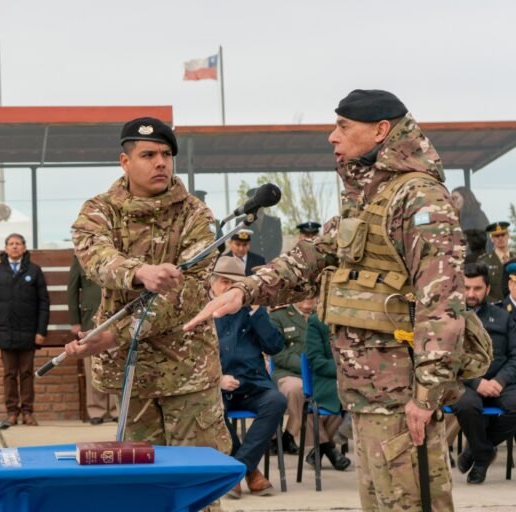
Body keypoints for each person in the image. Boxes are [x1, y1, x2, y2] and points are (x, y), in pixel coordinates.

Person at [186, 89, 465, 511]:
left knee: (410, 502)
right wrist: (244, 291)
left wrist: (425, 397)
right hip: (370, 391)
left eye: (343, 126)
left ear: (381, 130)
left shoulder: (420, 197)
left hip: (401, 392)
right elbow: (311, 256)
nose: (332, 137)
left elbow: (441, 302)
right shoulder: (368, 198)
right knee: (380, 501)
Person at [66, 117, 231, 510]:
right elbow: (95, 257)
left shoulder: (196, 215)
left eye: (166, 155)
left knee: (199, 488)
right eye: (149, 155)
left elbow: (189, 294)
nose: (161, 163)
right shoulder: (99, 210)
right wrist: (138, 272)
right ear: (124, 161)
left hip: (189, 376)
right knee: (140, 488)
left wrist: (116, 333)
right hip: (133, 377)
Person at [211, 256, 285, 498]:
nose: (228, 288)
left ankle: (237, 469)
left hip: (253, 384)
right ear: (212, 283)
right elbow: (189, 359)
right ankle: (251, 472)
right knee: (208, 406)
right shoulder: (203, 312)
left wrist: (256, 312)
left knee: (276, 401)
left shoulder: (252, 310)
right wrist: (217, 378)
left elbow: (274, 346)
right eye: (223, 282)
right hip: (217, 388)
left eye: (233, 283)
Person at [450, 262, 516, 484]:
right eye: (466, 288)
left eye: (477, 288)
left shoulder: (504, 317)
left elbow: (515, 355)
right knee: (467, 405)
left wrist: (500, 379)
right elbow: (448, 359)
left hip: (501, 381)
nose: (471, 294)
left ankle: (476, 452)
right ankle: (484, 455)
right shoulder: (450, 319)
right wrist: (476, 382)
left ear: (487, 289)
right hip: (466, 382)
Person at [0, 233, 49, 428]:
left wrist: (41, 331)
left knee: (27, 373)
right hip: (5, 332)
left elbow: (44, 302)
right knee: (10, 374)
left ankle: (28, 412)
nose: (14, 247)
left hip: (29, 332)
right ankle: (12, 412)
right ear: (5, 248)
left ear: (24, 248)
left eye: (18, 244)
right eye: (11, 244)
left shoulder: (34, 271)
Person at [67, 255, 117, 424]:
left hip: (115, 317)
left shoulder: (118, 251)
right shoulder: (80, 257)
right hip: (91, 318)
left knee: (117, 364)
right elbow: (72, 289)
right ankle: (97, 410)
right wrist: (75, 320)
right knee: (93, 366)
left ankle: (116, 409)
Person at [268, 298, 317, 455]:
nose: (309, 299)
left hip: (318, 372)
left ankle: (289, 435)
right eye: (305, 294)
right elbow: (277, 352)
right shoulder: (279, 316)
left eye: (313, 294)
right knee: (296, 388)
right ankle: (281, 437)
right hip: (288, 372)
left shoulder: (322, 316)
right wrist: (305, 367)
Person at [304, 313, 351, 470]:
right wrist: (344, 369)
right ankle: (331, 447)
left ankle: (321, 449)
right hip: (327, 377)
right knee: (328, 403)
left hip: (356, 377)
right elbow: (316, 360)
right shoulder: (317, 320)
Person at [478, 222, 515, 302]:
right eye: (497, 236)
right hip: (494, 308)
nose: (500, 238)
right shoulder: (483, 261)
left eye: (503, 234)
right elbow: (479, 288)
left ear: (508, 236)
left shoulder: (514, 258)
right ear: (492, 238)